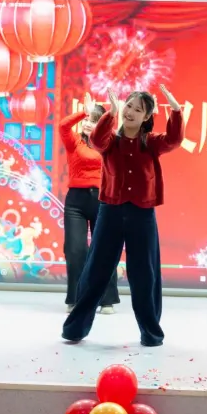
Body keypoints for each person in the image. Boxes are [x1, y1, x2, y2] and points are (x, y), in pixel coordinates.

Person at [62, 84, 184, 347]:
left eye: (138, 110)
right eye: (129, 106)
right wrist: (111, 113)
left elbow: (174, 140)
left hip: (142, 214)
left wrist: (175, 111)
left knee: (145, 275)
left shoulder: (151, 143)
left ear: (146, 117)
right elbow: (96, 140)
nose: (130, 112)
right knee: (95, 271)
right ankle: (75, 329)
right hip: (111, 212)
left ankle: (151, 333)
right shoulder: (110, 141)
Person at [59, 93, 119, 315]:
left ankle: (106, 300)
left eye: (93, 120)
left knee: (104, 250)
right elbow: (63, 125)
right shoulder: (74, 141)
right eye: (86, 119)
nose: (87, 123)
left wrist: (110, 115)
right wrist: (83, 111)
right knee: (75, 250)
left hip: (104, 201)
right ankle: (75, 298)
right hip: (76, 202)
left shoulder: (110, 144)